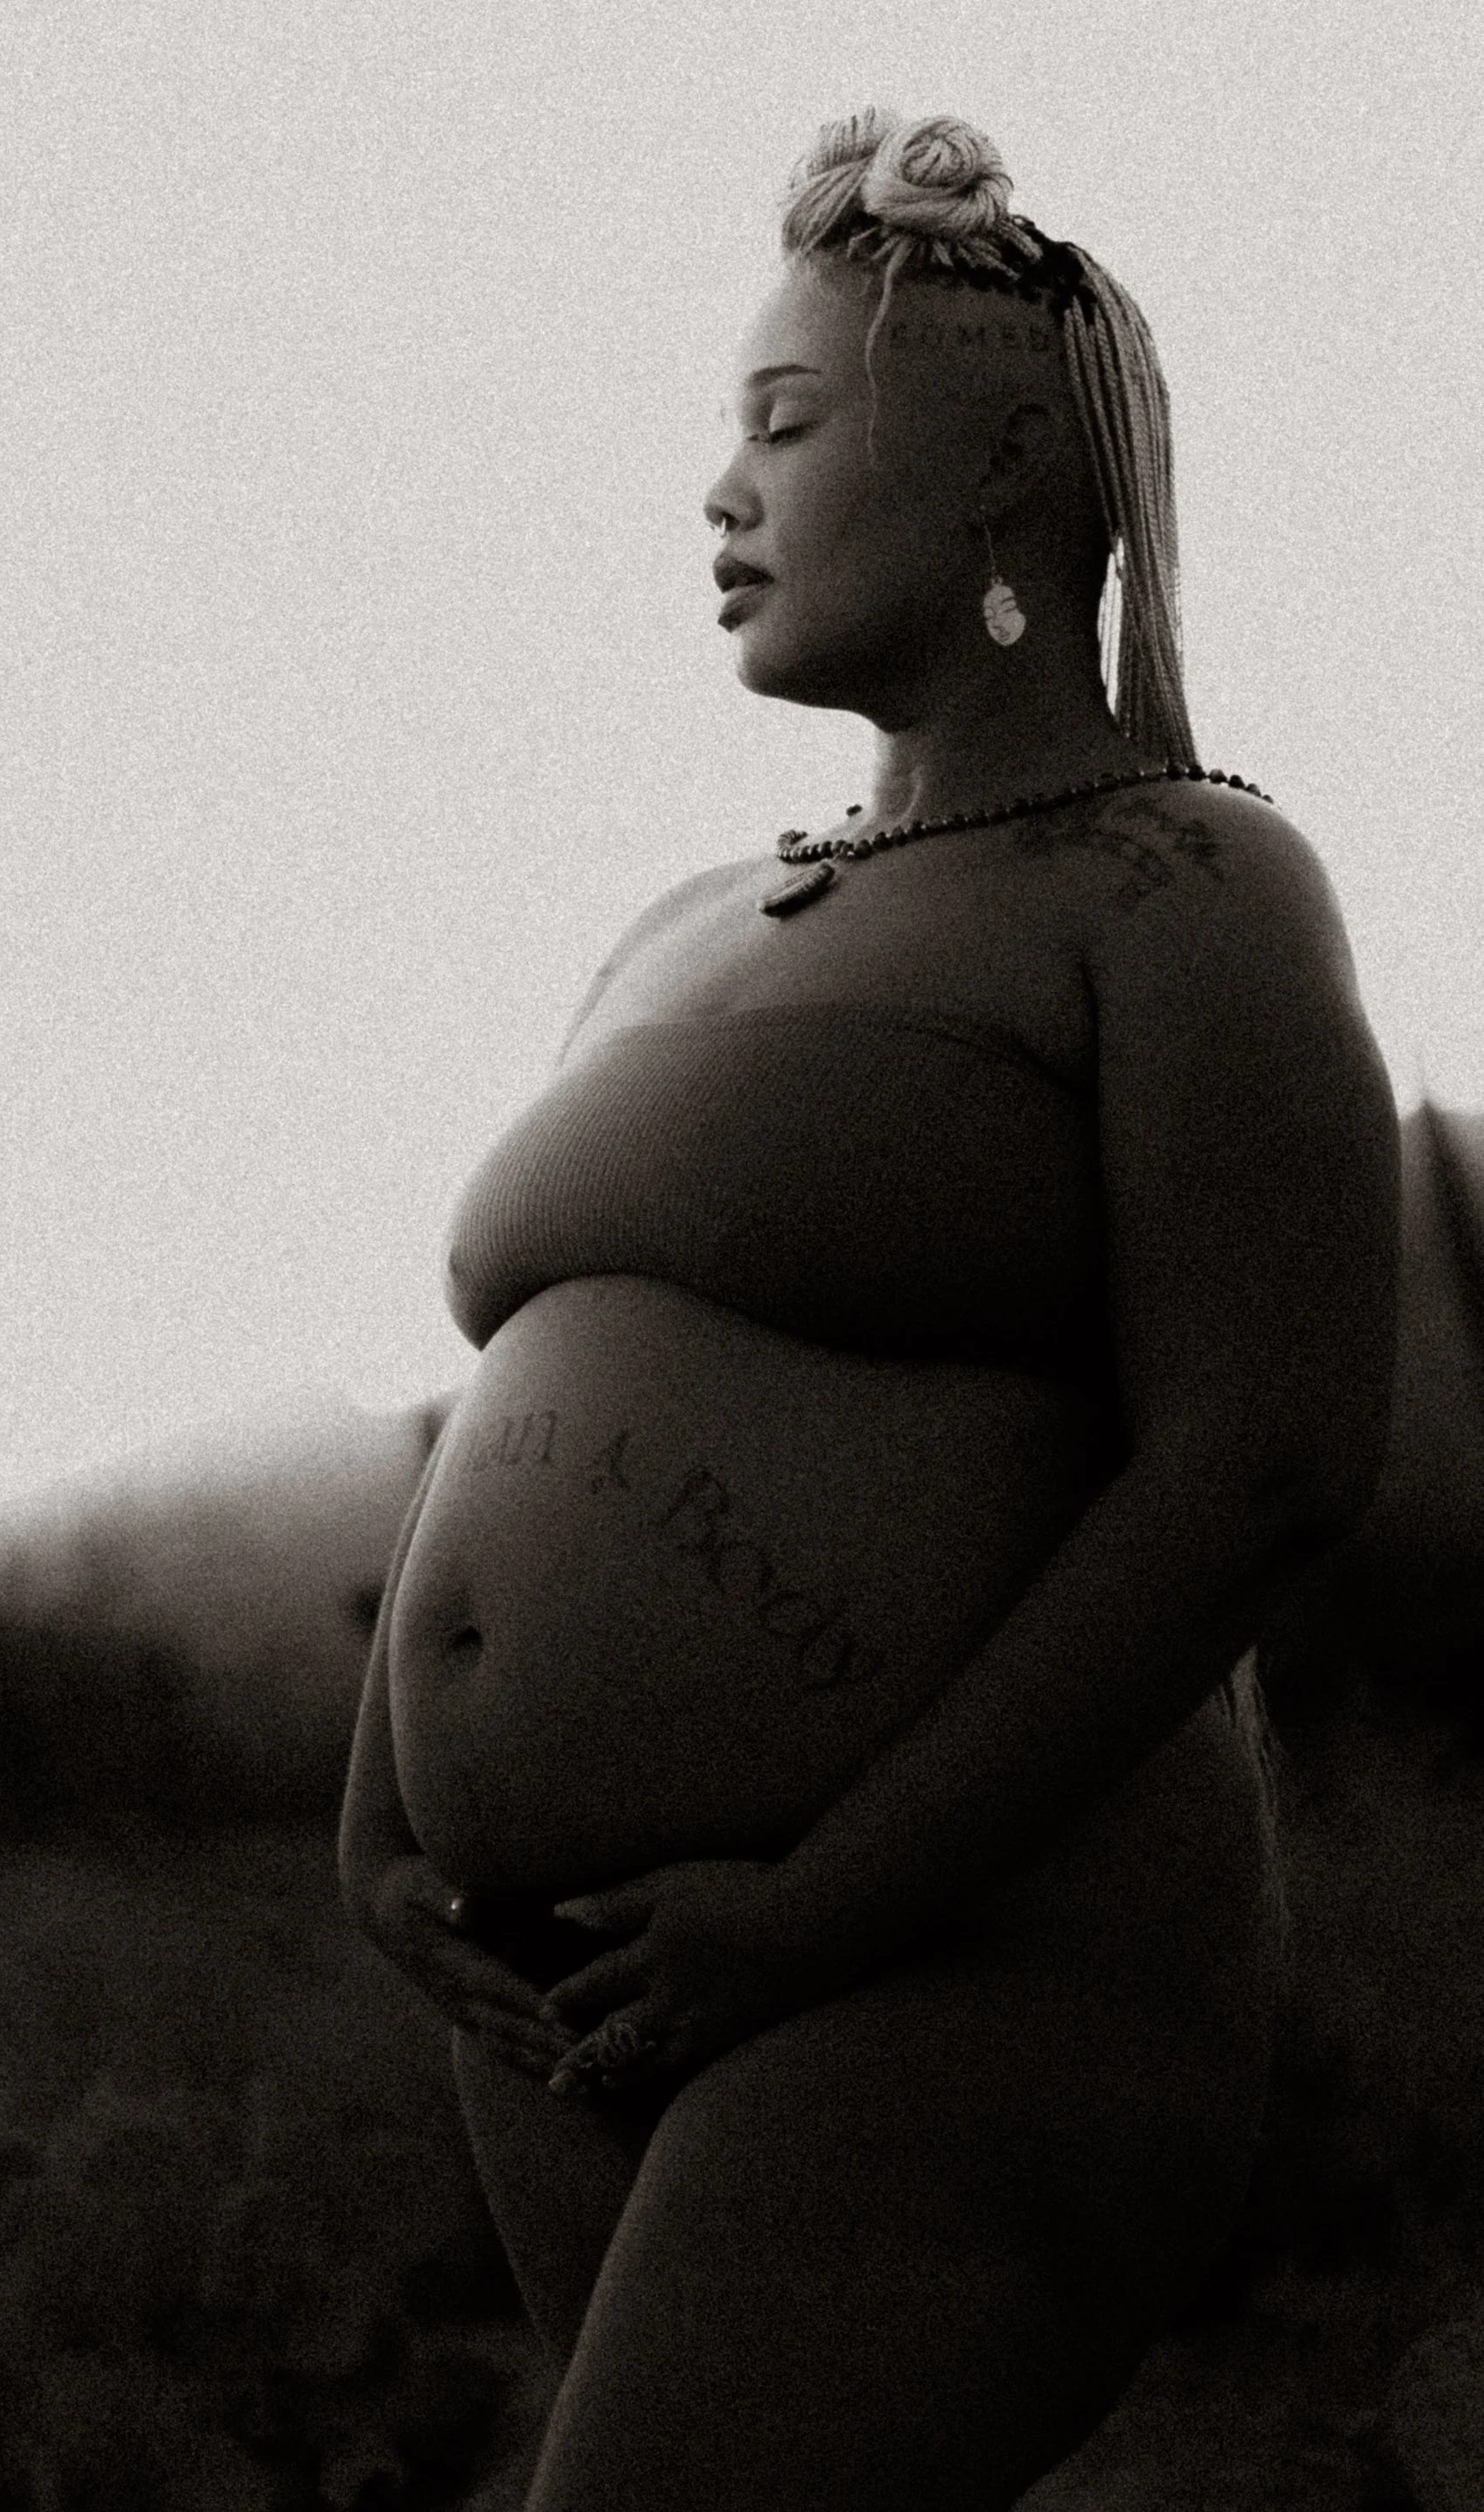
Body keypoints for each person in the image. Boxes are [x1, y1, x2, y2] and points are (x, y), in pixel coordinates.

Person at [340, 107, 1399, 2510]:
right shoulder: (684, 913)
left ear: (1012, 460)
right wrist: (378, 1824)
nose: (719, 492)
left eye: (785, 426)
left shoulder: (1183, 883)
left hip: (956, 1964)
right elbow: (533, 1369)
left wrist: (820, 1909)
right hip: (581, 1970)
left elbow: (1265, 1465)